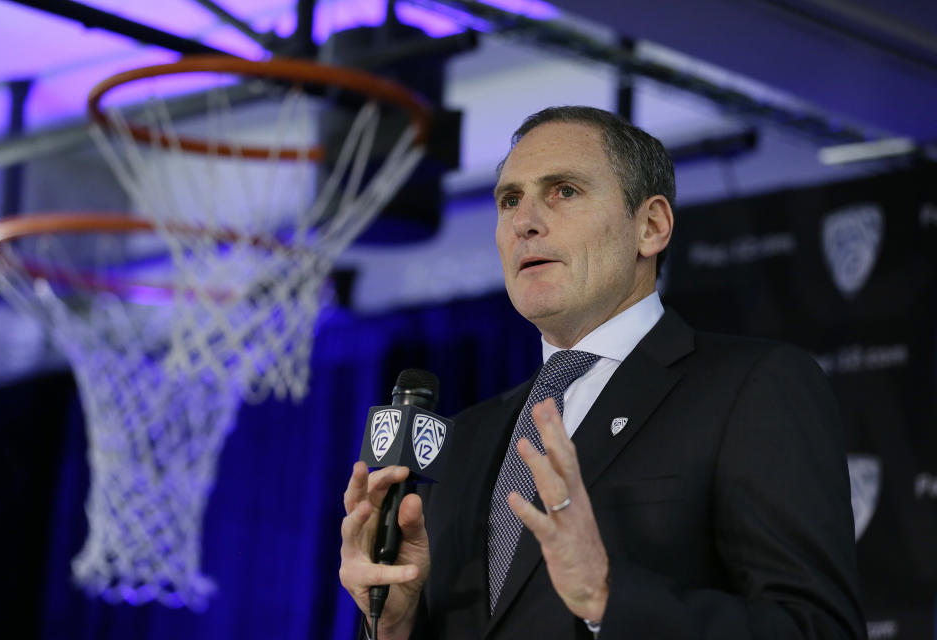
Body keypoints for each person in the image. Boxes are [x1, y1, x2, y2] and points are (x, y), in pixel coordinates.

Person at [339, 106, 866, 639]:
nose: (525, 221)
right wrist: (396, 627)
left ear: (651, 226)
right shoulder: (467, 439)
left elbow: (818, 630)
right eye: (510, 199)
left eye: (564, 191)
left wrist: (608, 597)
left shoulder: (754, 387)